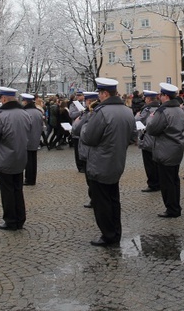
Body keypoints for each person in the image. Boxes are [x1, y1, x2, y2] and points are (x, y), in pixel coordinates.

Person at [80, 78, 136, 246]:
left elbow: (88, 137)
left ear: (105, 93)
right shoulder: (127, 111)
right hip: (117, 162)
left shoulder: (101, 112)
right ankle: (115, 233)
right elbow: (133, 137)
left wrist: (84, 125)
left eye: (99, 93)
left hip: (100, 163)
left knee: (102, 202)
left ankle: (108, 235)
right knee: (113, 200)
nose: (98, 96)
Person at [0, 87, 31, 231]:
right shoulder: (24, 113)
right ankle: (20, 218)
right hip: (20, 157)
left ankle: (10, 220)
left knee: (7, 191)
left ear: (4, 99)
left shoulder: (1, 116)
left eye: (0, 98)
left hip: (5, 158)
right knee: (18, 189)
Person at [146, 83, 184, 218]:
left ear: (166, 96)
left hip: (165, 149)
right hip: (176, 148)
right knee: (174, 180)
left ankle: (172, 209)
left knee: (167, 182)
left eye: (161, 95)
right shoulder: (180, 109)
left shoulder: (163, 111)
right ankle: (175, 206)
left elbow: (152, 129)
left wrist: (150, 118)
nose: (160, 97)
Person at [72, 91, 100, 209]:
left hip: (87, 148)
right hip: (95, 150)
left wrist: (78, 120)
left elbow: (76, 129)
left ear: (89, 101)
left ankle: (94, 199)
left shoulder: (88, 113)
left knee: (91, 177)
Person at [135, 90, 161, 193]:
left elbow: (137, 120)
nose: (144, 99)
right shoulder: (159, 108)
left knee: (149, 164)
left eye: (145, 98)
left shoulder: (146, 109)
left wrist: (137, 115)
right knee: (156, 163)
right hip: (156, 140)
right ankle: (158, 182)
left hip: (147, 139)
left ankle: (152, 184)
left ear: (149, 99)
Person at [22, 93, 44, 185]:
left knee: (28, 162)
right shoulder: (38, 112)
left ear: (26, 101)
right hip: (36, 139)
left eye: (23, 101)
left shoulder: (25, 113)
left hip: (27, 139)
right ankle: (32, 178)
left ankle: (29, 179)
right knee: (33, 160)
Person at [69, 90, 86, 172]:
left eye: (80, 95)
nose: (79, 97)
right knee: (77, 149)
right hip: (76, 128)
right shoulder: (73, 104)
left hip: (85, 129)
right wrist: (81, 112)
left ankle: (85, 164)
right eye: (78, 95)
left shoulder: (86, 103)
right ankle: (80, 166)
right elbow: (71, 114)